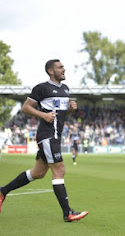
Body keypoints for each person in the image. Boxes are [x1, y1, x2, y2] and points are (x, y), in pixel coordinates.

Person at [0, 59, 88, 222]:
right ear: (50, 71)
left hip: (55, 135)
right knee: (59, 170)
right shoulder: (42, 88)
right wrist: (43, 115)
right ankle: (67, 213)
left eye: (63, 67)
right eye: (60, 67)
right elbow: (26, 107)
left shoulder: (65, 89)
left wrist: (69, 110)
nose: (64, 69)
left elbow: (60, 114)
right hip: (47, 135)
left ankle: (2, 191)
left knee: (38, 173)